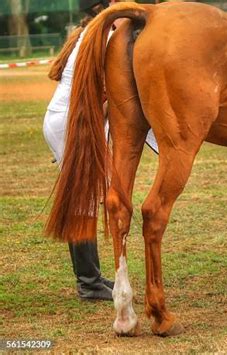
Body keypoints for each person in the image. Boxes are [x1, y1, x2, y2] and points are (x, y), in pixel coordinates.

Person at [43, 0, 157, 300]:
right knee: (85, 199)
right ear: (108, 5)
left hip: (70, 120)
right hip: (73, 122)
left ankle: (91, 279)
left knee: (87, 198)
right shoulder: (106, 33)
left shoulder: (93, 31)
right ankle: (88, 284)